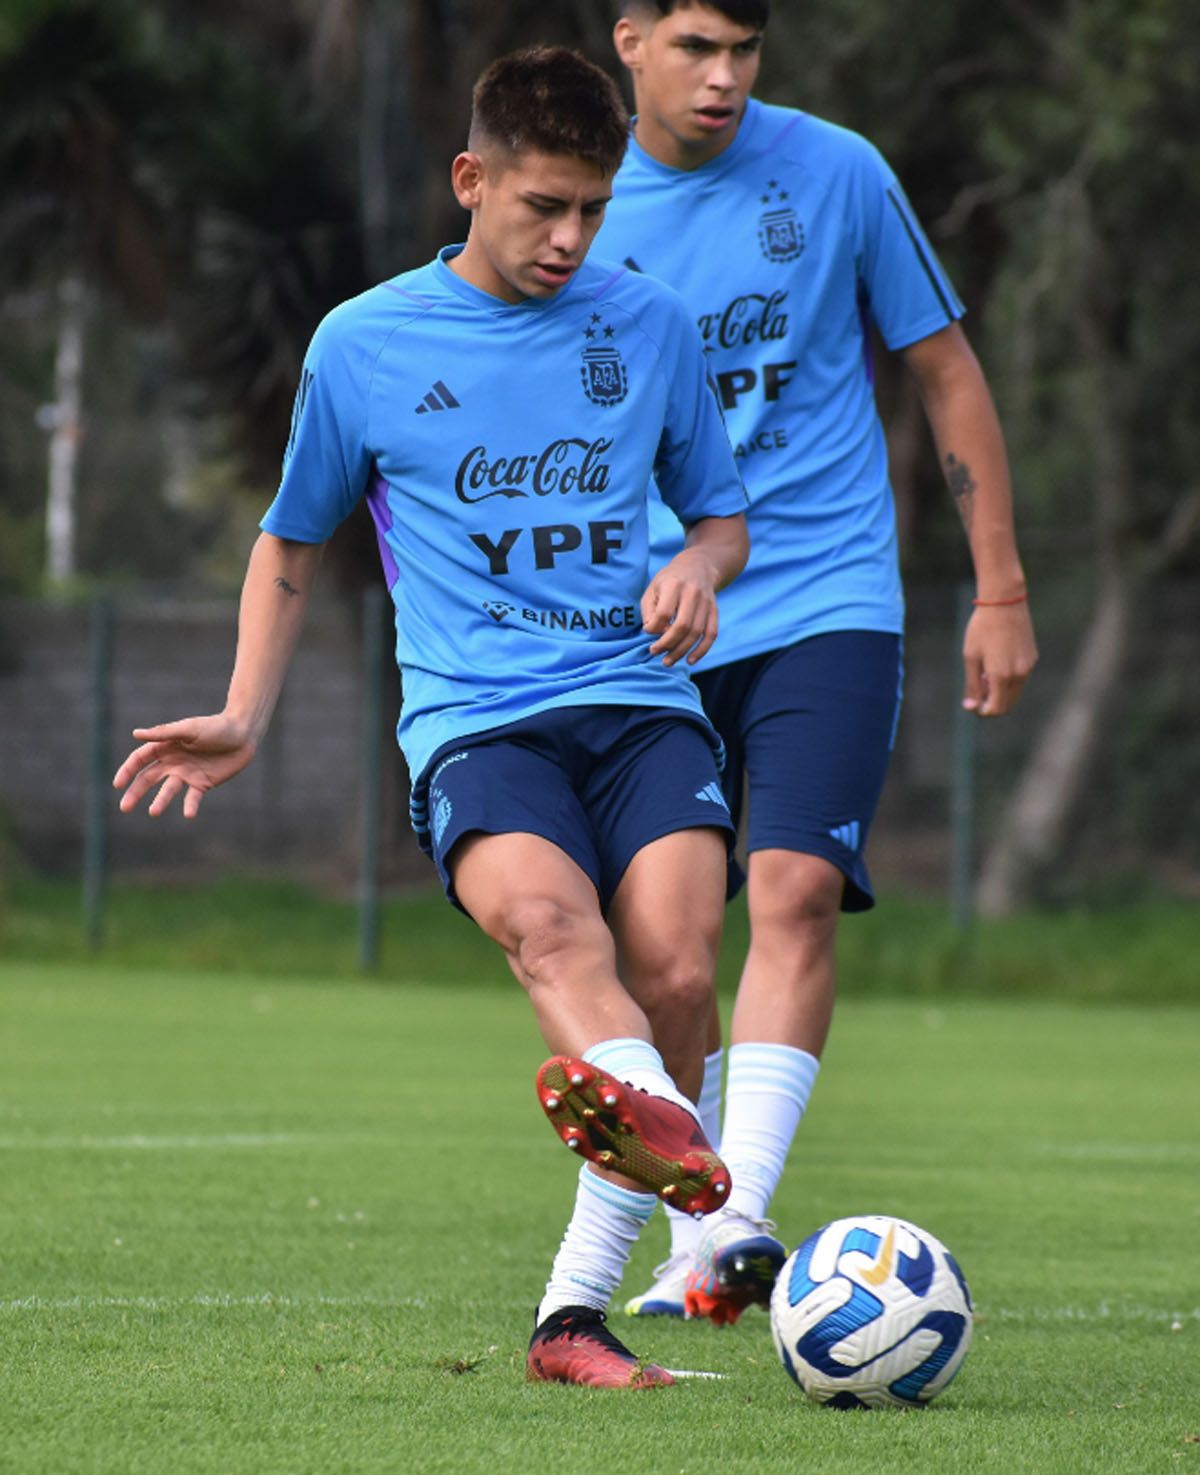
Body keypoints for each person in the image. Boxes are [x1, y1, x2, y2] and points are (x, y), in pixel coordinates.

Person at [112, 45, 750, 1388]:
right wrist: (241, 712)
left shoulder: (651, 328)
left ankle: (573, 1315)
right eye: (542, 208)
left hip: (640, 703)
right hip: (478, 720)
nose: (571, 239)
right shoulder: (366, 343)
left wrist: (694, 566)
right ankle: (665, 1144)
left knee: (684, 971)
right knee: (548, 929)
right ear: (472, 181)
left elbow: (722, 518)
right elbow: (289, 546)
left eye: (593, 208)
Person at [596, 0, 1039, 1325]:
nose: (725, 78)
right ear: (628, 40)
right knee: (666, 960)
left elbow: (946, 371)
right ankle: (687, 1213)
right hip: (650, 627)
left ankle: (732, 1234)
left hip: (827, 597)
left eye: (745, 51)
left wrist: (1000, 584)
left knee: (789, 889)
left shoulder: (837, 171)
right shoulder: (570, 203)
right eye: (695, 50)